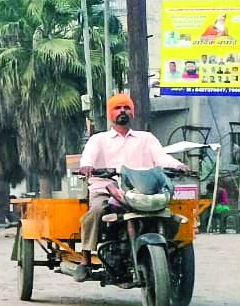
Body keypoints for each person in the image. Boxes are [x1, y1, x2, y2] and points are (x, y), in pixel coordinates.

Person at [77, 93, 187, 277]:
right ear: (110, 114)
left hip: (141, 191)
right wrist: (87, 166)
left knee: (169, 211)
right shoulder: (98, 140)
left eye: (126, 107)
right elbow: (88, 156)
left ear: (132, 113)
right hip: (107, 189)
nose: (122, 111)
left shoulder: (146, 139)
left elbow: (161, 158)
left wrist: (178, 165)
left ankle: (167, 251)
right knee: (95, 211)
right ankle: (85, 257)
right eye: (118, 108)